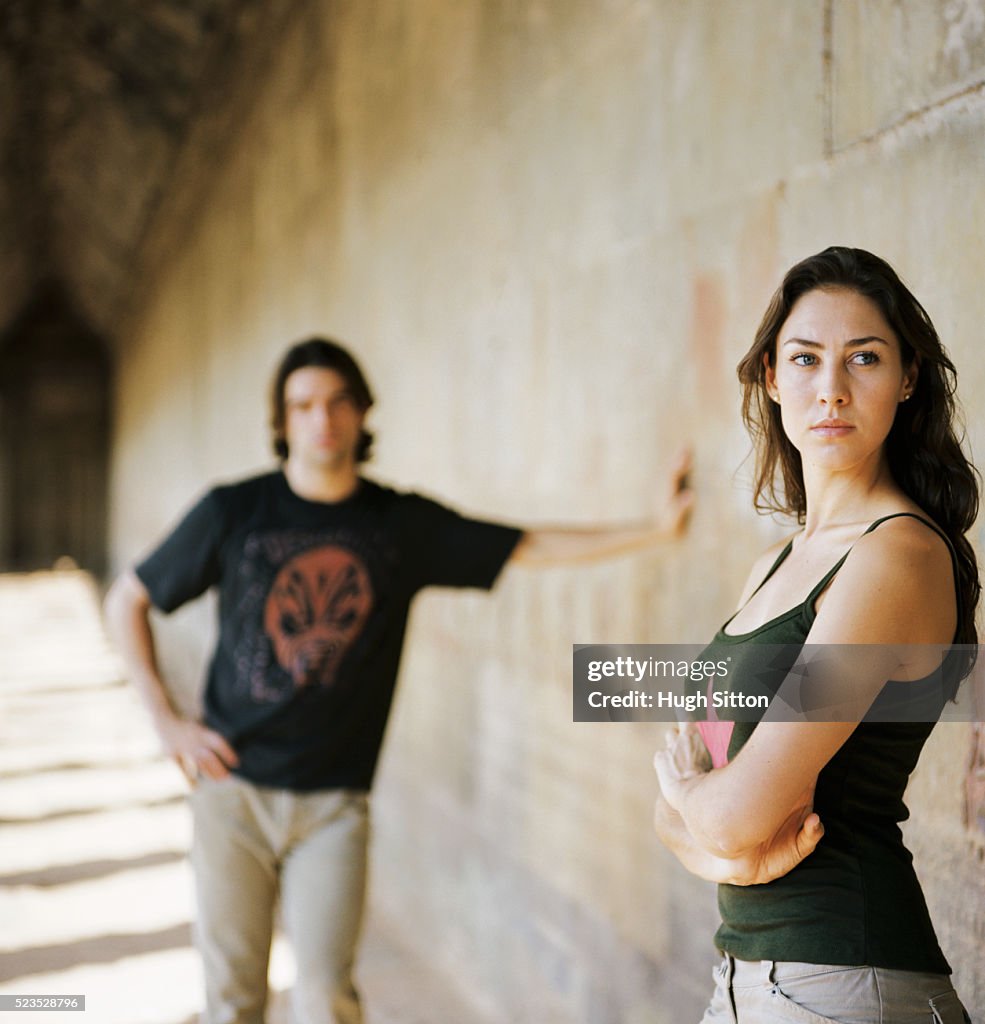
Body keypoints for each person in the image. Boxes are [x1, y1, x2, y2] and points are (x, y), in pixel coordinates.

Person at [104, 337, 692, 1024]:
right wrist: (165, 720)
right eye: (303, 406)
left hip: (333, 805)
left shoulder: (398, 525)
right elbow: (127, 601)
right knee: (232, 999)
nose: (321, 419)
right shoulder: (233, 512)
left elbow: (524, 544)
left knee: (328, 998)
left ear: (360, 414)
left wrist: (654, 531)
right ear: (282, 422)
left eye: (336, 402)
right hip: (232, 793)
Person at [651, 247, 977, 1023]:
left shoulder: (894, 556)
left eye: (863, 358)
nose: (829, 389)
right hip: (746, 981)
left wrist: (707, 814)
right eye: (804, 359)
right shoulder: (774, 564)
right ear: (770, 377)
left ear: (905, 379)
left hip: (841, 983)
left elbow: (720, 804)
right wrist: (709, 831)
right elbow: (686, 810)